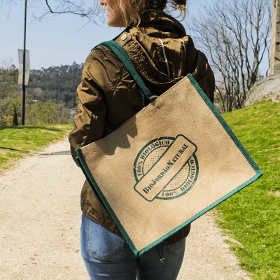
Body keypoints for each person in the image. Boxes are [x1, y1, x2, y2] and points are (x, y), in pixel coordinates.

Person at [68, 0, 215, 278]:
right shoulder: (198, 62)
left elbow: (83, 146)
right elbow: (204, 136)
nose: (101, 1)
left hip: (110, 214)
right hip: (168, 217)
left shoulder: (104, 58)